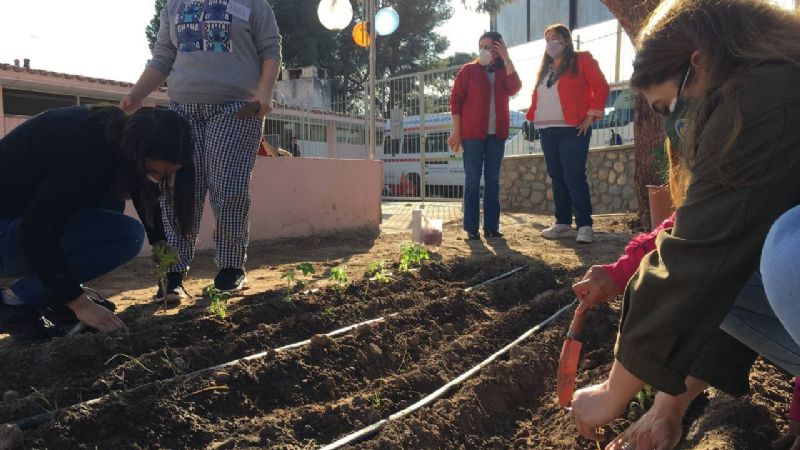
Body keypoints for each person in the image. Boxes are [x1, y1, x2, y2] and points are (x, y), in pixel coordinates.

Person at [568, 2, 800, 449]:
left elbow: (697, 255)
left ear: (700, 61)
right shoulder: (773, 83)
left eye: (668, 105)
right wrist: (668, 406)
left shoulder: (762, 101)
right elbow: (719, 257)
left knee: (787, 249)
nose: (674, 123)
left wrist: (611, 392)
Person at [121, 0, 282, 303]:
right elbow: (164, 57)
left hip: (237, 109)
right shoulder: (174, 6)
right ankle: (173, 273)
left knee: (228, 188)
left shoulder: (254, 4)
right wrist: (136, 95)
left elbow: (270, 50)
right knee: (179, 190)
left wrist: (264, 94)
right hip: (182, 109)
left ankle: (231, 267)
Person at [0, 106, 195, 339]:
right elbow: (37, 231)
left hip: (21, 220)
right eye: (153, 170)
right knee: (124, 235)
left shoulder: (114, 136)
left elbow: (141, 185)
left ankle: (54, 295)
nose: (155, 180)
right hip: (10, 232)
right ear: (135, 150)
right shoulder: (83, 152)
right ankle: (11, 301)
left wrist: (159, 239)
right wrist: (80, 304)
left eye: (164, 176)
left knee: (111, 205)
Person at [526, 24, 609, 244]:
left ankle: (585, 225)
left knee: (574, 176)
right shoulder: (546, 69)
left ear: (566, 39)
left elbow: (601, 87)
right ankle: (562, 222)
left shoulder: (582, 59)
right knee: (557, 176)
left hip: (573, 128)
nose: (550, 43)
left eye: (554, 37)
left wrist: (590, 117)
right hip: (547, 130)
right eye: (547, 39)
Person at [449, 31, 522, 240]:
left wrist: (507, 59)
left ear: (499, 48)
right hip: (472, 135)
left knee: (492, 180)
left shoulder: (503, 71)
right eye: (481, 46)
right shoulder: (468, 70)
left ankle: (492, 227)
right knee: (472, 179)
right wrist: (457, 130)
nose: (484, 51)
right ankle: (471, 228)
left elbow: (515, 87)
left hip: (496, 135)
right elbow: (455, 100)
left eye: (489, 46)